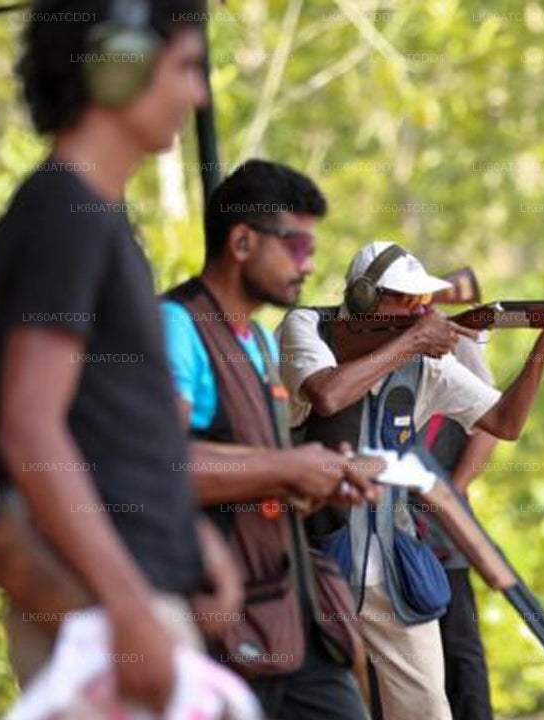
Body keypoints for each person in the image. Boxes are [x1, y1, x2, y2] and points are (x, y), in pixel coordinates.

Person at [0, 0, 238, 712]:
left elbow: (111, 424)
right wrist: (129, 610)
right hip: (104, 615)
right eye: (187, 66)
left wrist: (187, 543)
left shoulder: (91, 214)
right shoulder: (64, 215)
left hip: (127, 600)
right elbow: (30, 427)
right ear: (118, 69)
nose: (199, 94)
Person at [279, 241, 544, 720]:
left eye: (421, 300)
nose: (420, 310)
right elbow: (327, 395)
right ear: (365, 297)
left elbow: (504, 423)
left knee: (429, 709)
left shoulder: (428, 360)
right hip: (311, 555)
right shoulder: (309, 327)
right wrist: (410, 341)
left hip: (393, 559)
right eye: (404, 299)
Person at [160, 159, 378, 719]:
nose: (308, 264)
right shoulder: (174, 327)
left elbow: (260, 468)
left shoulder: (256, 338)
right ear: (241, 241)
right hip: (210, 625)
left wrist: (319, 481)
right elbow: (162, 469)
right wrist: (290, 469)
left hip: (285, 610)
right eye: (296, 245)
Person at [418, 338, 501, 720]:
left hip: (441, 524)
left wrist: (455, 491)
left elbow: (494, 421)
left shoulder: (458, 342)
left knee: (459, 644)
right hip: (387, 529)